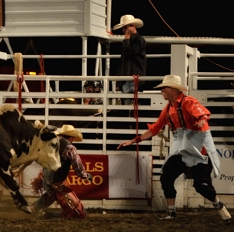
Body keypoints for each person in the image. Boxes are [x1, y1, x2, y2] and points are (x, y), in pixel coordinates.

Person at [117, 75, 231, 220]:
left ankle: (218, 204)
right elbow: (155, 128)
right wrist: (134, 141)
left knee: (201, 185)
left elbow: (202, 113)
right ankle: (171, 212)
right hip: (183, 148)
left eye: (163, 88)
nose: (161, 91)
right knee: (166, 176)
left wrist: (202, 121)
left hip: (199, 149)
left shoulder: (188, 102)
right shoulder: (168, 109)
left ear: (172, 89)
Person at [15, 124, 92, 219]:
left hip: (46, 178)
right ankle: (50, 215)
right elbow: (78, 167)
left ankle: (35, 209)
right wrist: (86, 176)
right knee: (78, 213)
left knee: (51, 194)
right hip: (57, 182)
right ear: (71, 137)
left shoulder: (50, 143)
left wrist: (20, 169)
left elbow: (34, 156)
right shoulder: (70, 148)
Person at [113, 14, 146, 105]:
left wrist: (127, 37)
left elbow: (130, 53)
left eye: (125, 27)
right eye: (124, 28)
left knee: (128, 105)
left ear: (133, 26)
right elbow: (123, 63)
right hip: (127, 78)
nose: (124, 30)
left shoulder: (139, 40)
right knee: (126, 104)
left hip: (132, 78)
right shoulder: (129, 41)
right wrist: (119, 82)